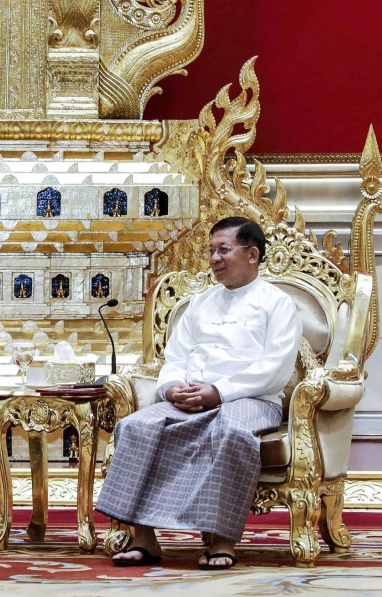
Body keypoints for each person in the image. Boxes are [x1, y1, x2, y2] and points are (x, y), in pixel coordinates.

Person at [95, 216, 301, 570]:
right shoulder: (200, 302)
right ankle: (144, 539)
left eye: (224, 250)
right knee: (135, 426)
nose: (214, 259)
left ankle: (223, 540)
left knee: (231, 431)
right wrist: (172, 388)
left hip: (253, 399)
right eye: (211, 251)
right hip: (190, 398)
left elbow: (276, 368)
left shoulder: (277, 303)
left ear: (252, 255)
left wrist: (219, 392)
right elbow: (175, 357)